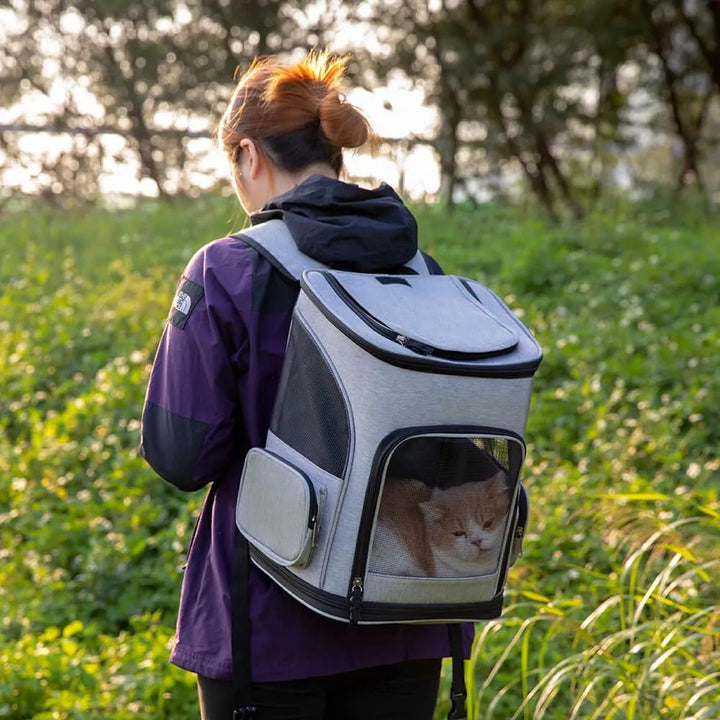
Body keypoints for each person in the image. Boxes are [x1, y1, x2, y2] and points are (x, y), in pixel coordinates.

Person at [139, 49, 473, 720]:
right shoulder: (418, 270)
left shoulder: (227, 270)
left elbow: (181, 454)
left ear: (248, 156)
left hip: (270, 629)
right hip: (405, 614)